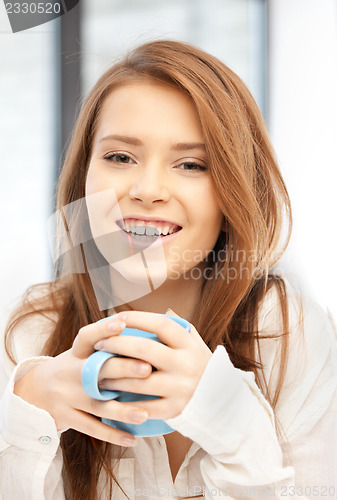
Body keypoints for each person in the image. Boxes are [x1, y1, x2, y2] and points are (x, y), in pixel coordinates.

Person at [0, 39, 336, 500]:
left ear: (234, 192)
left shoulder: (289, 335)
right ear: (84, 176)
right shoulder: (29, 335)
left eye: (191, 164)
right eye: (120, 157)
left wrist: (229, 419)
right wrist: (24, 419)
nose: (148, 188)